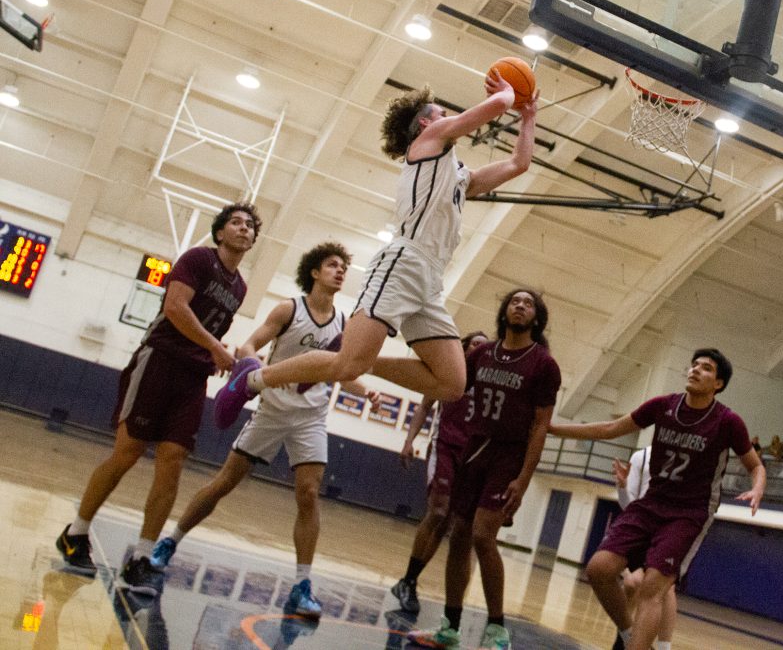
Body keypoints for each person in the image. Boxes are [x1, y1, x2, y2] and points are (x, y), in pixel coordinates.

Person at [213, 74, 539, 427]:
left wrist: (528, 117)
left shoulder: (457, 175)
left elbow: (517, 164)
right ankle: (250, 380)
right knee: (344, 367)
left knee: (451, 383)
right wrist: (507, 94)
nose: (449, 115)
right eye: (441, 112)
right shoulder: (427, 143)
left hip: (429, 279)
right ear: (426, 123)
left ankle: (359, 355)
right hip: (403, 262)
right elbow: (489, 110)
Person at [148, 242, 379, 618]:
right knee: (224, 482)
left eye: (344, 267)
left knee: (308, 493)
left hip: (311, 418)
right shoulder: (289, 309)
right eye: (332, 265)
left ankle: (302, 585)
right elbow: (250, 345)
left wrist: (365, 390)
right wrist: (250, 364)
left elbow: (340, 372)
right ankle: (170, 542)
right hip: (272, 411)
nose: (340, 271)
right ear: (315, 272)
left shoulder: (344, 324)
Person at [56, 203, 259, 593]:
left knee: (172, 463)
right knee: (127, 453)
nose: (243, 228)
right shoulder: (198, 259)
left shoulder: (240, 287)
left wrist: (217, 354)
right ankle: (76, 532)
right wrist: (215, 346)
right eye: (236, 222)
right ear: (220, 233)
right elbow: (175, 307)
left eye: (250, 225)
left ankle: (142, 557)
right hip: (159, 361)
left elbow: (209, 329)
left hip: (192, 376)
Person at [549, 349, 766, 650]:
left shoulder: (727, 421)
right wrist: (552, 428)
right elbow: (612, 428)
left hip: (689, 512)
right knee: (599, 569)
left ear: (718, 383)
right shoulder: (663, 406)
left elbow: (755, 465)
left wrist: (757, 488)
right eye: (694, 365)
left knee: (653, 587)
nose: (695, 370)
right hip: (651, 503)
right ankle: (629, 634)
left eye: (705, 368)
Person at [407, 288, 560, 650]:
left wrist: (523, 479)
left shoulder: (543, 364)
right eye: (514, 301)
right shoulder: (482, 354)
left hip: (509, 455)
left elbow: (540, 426)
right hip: (474, 450)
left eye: (528, 304)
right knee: (458, 535)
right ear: (504, 311)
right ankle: (450, 626)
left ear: (536, 319)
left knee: (481, 535)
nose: (519, 306)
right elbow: (447, 382)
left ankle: (497, 629)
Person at [390, 330, 489, 614]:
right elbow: (423, 407)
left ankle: (409, 581)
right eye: (475, 345)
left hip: (472, 456)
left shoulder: (489, 382)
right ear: (465, 348)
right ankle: (408, 580)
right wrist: (409, 441)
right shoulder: (449, 372)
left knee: (450, 525)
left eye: (484, 347)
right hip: (445, 446)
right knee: (437, 512)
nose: (479, 350)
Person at [612, 446, 677, 650]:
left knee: (665, 587)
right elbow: (628, 505)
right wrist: (622, 487)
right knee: (632, 584)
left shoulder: (689, 456)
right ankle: (624, 635)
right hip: (641, 529)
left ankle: (664, 647)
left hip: (670, 529)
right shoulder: (643, 456)